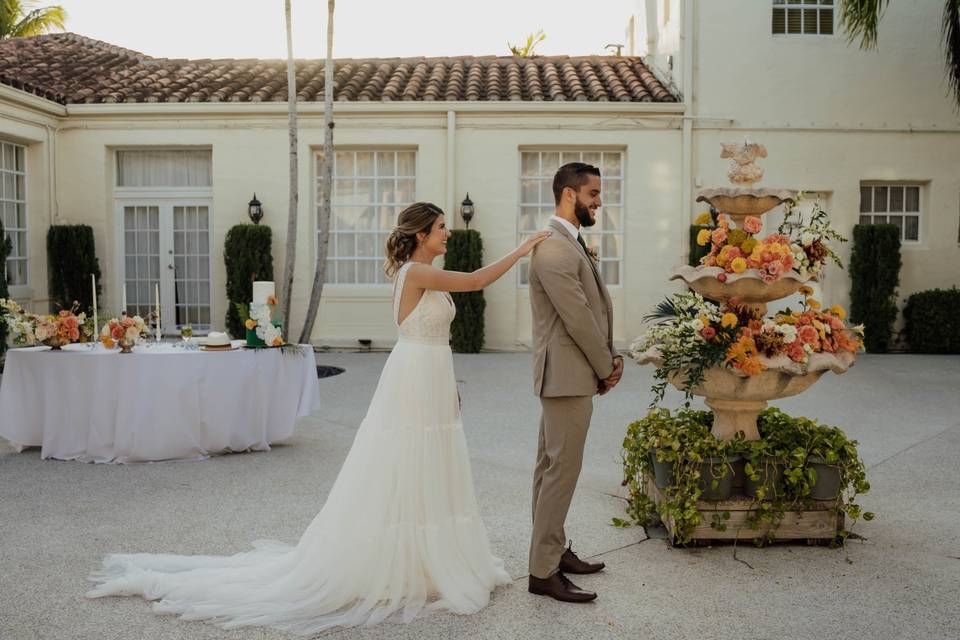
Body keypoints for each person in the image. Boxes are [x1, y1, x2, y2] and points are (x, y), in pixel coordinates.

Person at [86, 202, 551, 635]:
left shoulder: (427, 271)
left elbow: (435, 335)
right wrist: (525, 248)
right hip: (412, 376)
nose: (449, 233)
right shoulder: (417, 272)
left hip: (430, 370)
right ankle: (405, 561)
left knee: (431, 460)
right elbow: (474, 282)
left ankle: (426, 559)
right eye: (442, 227)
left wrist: (450, 385)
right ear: (421, 234)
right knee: (407, 458)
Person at [526, 162, 624, 603]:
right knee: (559, 474)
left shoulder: (569, 243)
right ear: (569, 194)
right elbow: (579, 319)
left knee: (551, 470)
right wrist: (606, 367)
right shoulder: (554, 250)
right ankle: (543, 572)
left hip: (570, 375)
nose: (599, 201)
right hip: (566, 377)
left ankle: (553, 552)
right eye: (593, 193)